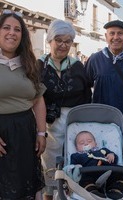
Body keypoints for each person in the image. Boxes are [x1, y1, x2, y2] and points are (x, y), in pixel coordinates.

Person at [38, 19, 92, 200]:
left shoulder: (77, 65)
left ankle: (71, 195)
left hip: (74, 121)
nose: (63, 45)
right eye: (58, 40)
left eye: (68, 41)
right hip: (48, 123)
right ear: (50, 40)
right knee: (49, 162)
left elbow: (86, 95)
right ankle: (49, 195)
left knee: (74, 160)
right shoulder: (38, 65)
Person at [0, 10, 47, 199]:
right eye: (6, 27)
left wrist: (42, 133)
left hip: (25, 132)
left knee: (24, 189)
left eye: (17, 29)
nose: (12, 32)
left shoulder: (29, 63)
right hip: (2, 133)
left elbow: (38, 99)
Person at [71, 131, 123, 200]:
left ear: (95, 143)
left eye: (89, 141)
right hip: (90, 173)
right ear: (77, 148)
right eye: (81, 143)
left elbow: (114, 160)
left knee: (122, 172)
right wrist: (77, 166)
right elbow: (73, 168)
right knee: (82, 178)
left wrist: (111, 155)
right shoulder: (76, 156)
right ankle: (92, 190)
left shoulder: (102, 151)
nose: (86, 143)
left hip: (107, 171)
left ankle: (115, 189)